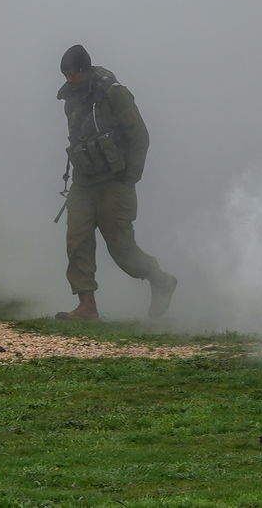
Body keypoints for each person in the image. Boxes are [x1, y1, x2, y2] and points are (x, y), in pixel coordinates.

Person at [55, 44, 177, 321]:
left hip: (115, 183)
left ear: (85, 70)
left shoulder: (114, 94)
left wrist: (129, 177)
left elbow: (139, 136)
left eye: (72, 74)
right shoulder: (71, 98)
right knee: (77, 242)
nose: (68, 79)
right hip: (84, 183)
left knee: (122, 248)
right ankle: (87, 306)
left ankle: (159, 279)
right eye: (65, 74)